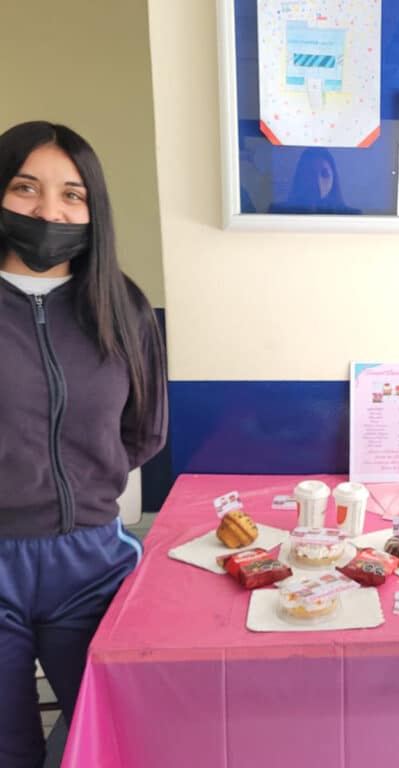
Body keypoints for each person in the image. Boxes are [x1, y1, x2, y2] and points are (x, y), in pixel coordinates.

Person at [0, 121, 167, 768]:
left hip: (91, 564)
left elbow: (144, 429)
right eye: (25, 188)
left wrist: (84, 488)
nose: (50, 212)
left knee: (118, 741)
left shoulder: (122, 305)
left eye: (72, 195)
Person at [268, 147, 360, 214]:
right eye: (310, 174)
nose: (318, 181)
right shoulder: (278, 213)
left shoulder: (351, 218)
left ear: (334, 179)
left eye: (324, 174)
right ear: (300, 176)